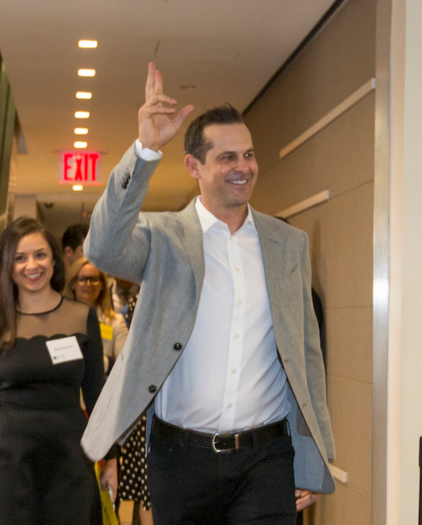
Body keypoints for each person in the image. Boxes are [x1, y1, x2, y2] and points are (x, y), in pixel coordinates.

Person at [81, 63, 335, 524]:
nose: (243, 168)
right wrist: (143, 151)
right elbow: (102, 247)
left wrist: (311, 458)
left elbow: (306, 357)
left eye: (249, 155)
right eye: (227, 158)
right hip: (182, 461)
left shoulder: (288, 244)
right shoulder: (163, 238)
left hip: (266, 458)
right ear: (194, 166)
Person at [0, 217, 117, 524]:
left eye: (40, 254)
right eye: (20, 257)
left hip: (68, 457)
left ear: (55, 259)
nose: (32, 265)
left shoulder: (82, 318)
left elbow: (97, 396)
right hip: (6, 462)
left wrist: (112, 459)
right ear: (7, 265)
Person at [64, 258, 128, 375]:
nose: (88, 284)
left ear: (102, 285)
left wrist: (101, 362)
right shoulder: (60, 319)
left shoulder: (116, 322)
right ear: (73, 284)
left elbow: (124, 366)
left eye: (94, 279)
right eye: (82, 279)